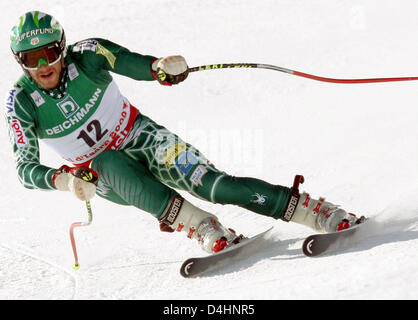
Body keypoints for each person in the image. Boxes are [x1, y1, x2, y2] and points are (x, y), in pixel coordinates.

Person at [6, 11, 362, 254]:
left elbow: (136, 63)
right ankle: (201, 226)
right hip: (99, 176)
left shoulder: (89, 55)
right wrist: (65, 181)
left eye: (49, 53)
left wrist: (160, 68)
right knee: (107, 160)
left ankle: (316, 212)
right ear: (19, 61)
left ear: (63, 48)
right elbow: (24, 169)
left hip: (144, 138)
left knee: (216, 185)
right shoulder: (21, 100)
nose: (43, 65)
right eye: (30, 59)